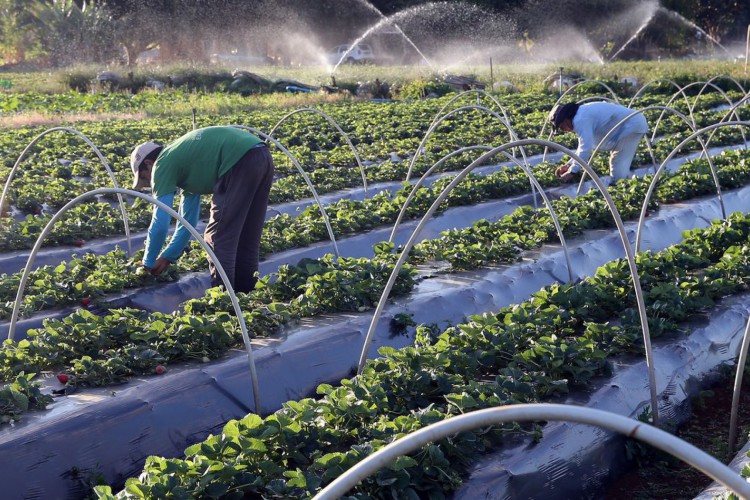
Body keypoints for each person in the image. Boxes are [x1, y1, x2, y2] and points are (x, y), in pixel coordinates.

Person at [130, 125, 274, 293]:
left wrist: (147, 263)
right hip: (261, 154)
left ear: (148, 164)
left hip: (238, 159)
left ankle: (225, 301)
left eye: (144, 177)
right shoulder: (183, 162)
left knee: (218, 237)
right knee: (246, 235)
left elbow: (161, 222)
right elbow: (187, 222)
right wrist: (168, 255)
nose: (148, 183)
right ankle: (246, 296)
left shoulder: (162, 164)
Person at [548, 101, 649, 183]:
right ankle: (624, 184)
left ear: (566, 119)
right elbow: (582, 147)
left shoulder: (580, 119)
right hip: (629, 124)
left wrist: (572, 172)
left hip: (632, 125)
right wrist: (569, 165)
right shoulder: (581, 113)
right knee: (619, 161)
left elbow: (585, 149)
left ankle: (621, 188)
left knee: (618, 162)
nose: (564, 130)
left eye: (561, 127)